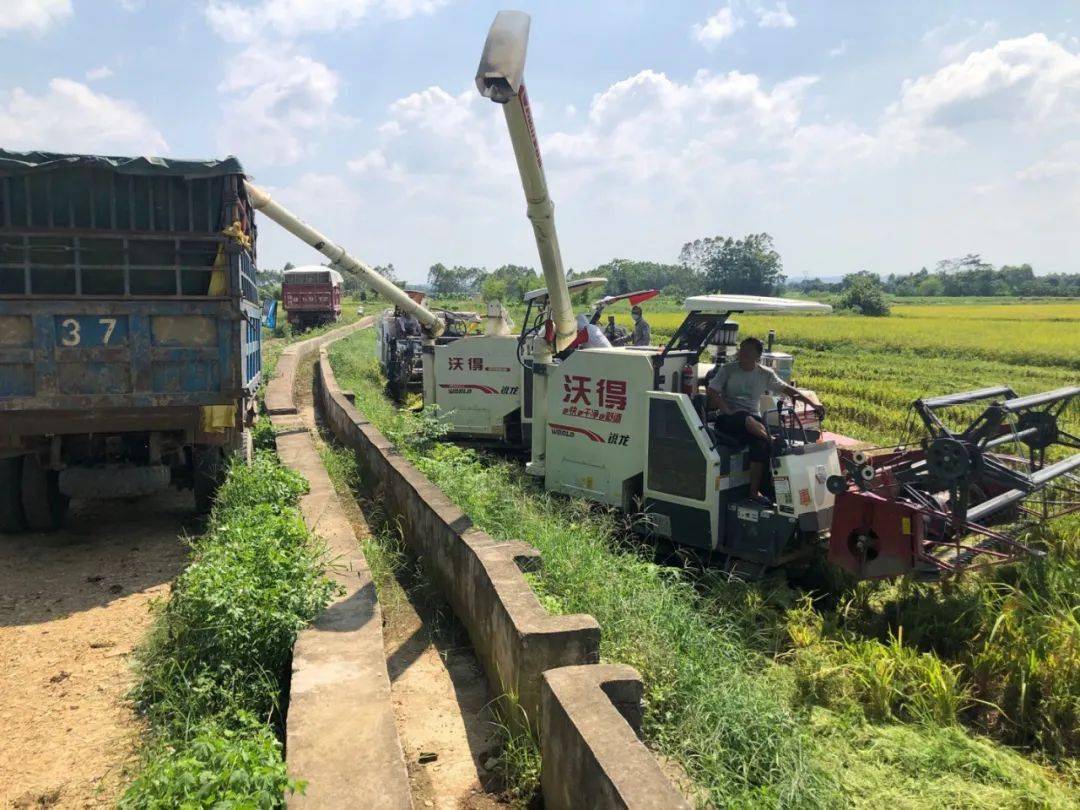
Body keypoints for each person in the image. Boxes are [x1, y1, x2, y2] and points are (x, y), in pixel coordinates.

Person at [706, 337, 825, 506]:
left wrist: (813, 403)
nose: (743, 353)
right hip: (728, 420)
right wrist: (727, 410)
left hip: (752, 421)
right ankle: (772, 441)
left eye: (748, 350)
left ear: (758, 355)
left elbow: (789, 390)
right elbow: (712, 391)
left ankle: (754, 492)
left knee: (759, 447)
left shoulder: (765, 374)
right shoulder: (727, 369)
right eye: (742, 349)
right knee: (748, 420)